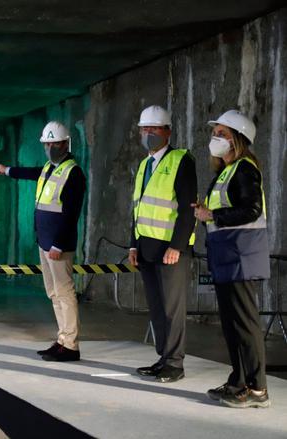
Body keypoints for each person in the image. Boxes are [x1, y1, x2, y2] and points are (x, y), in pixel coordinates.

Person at [193, 110, 270, 408]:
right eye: (215, 133)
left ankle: (257, 389)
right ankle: (239, 380)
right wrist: (205, 214)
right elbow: (223, 214)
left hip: (241, 255)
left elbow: (250, 210)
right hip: (227, 254)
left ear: (238, 139)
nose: (216, 138)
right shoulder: (225, 171)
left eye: (222, 134)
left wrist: (212, 214)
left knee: (245, 323)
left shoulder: (245, 169)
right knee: (231, 323)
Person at [0, 121, 86, 361]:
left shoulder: (73, 172)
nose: (50, 148)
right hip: (45, 241)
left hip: (58, 245)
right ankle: (63, 340)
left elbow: (71, 213)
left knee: (64, 293)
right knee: (54, 293)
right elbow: (32, 172)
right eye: (47, 144)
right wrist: (8, 170)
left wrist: (57, 244)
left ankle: (71, 345)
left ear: (66, 143)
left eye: (55, 143)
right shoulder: (49, 168)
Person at [129, 105, 197, 383]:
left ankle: (175, 363)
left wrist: (177, 246)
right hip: (146, 247)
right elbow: (138, 208)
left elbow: (187, 208)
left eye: (154, 129)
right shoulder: (145, 164)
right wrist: (132, 245)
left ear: (168, 131)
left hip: (170, 250)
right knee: (157, 307)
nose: (148, 134)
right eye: (144, 129)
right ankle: (163, 357)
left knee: (172, 308)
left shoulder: (182, 160)